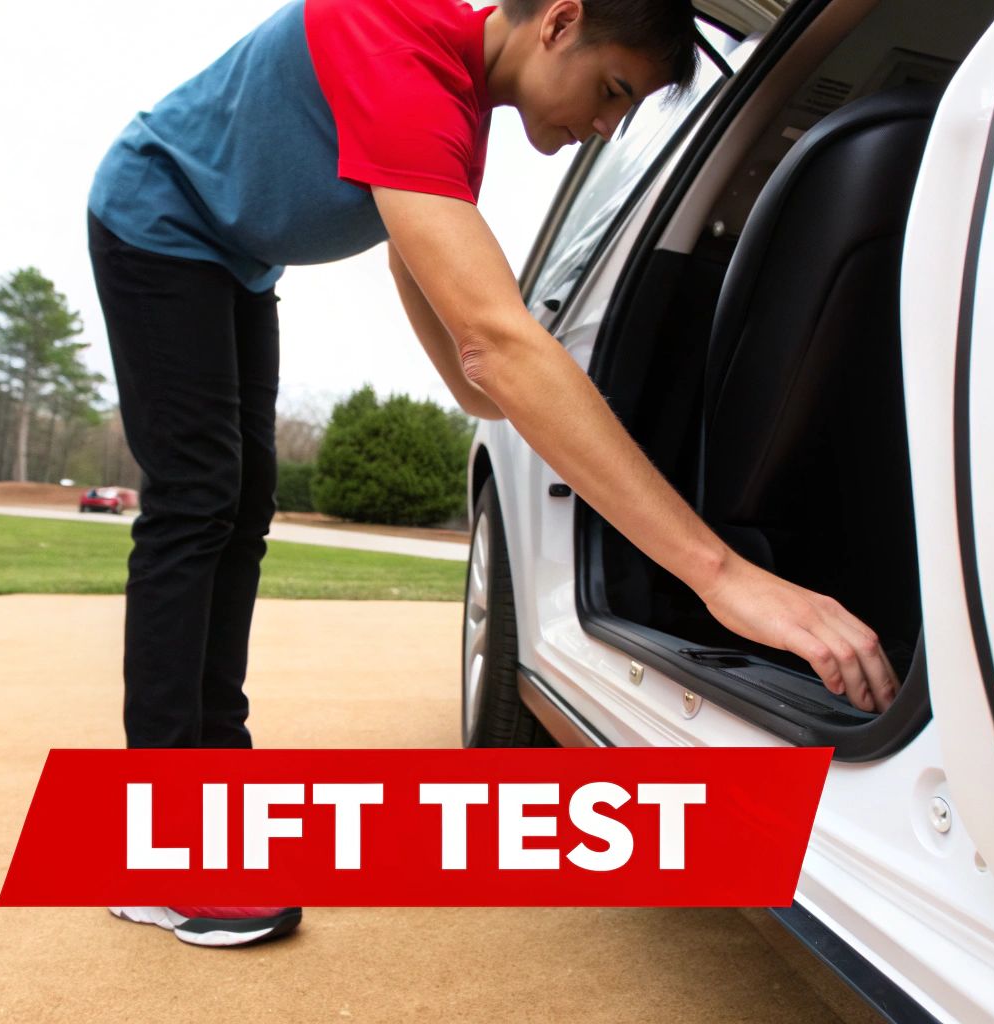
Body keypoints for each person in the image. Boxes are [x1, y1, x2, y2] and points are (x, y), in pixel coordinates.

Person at [87, 0, 899, 949]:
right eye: (611, 91)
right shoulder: (392, 43)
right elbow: (496, 343)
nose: (607, 125)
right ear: (559, 21)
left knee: (242, 509)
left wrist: (487, 371)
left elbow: (421, 268)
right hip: (158, 217)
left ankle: (214, 803)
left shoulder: (459, 118)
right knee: (197, 502)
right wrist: (722, 575)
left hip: (238, 258)